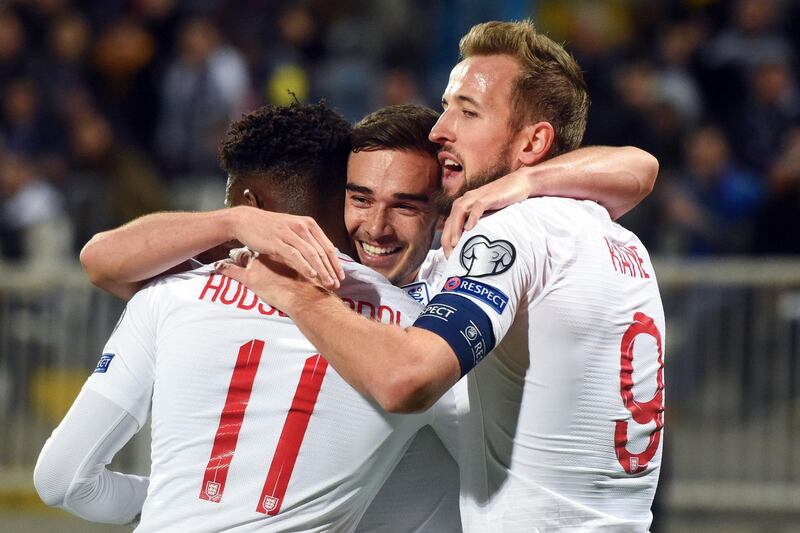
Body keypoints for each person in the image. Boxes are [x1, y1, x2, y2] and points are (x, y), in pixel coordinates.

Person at [220, 20, 665, 531]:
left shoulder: (510, 231)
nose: (439, 129)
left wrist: (296, 295)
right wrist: (529, 179)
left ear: (533, 142)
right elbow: (641, 168)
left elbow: (406, 379)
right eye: (447, 104)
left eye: (467, 112)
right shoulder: (616, 236)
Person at [33, 102, 459, 531]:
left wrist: (180, 504)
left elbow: (61, 478)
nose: (376, 227)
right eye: (362, 199)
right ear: (341, 194)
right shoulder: (428, 338)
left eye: (405, 206)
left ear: (443, 211)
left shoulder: (171, 293)